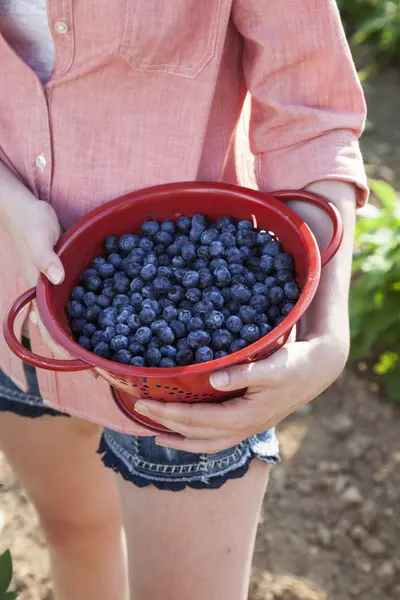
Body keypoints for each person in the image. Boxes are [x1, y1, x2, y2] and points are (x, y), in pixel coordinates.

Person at [0, 1, 368, 599]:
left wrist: (326, 337)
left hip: (196, 382)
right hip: (13, 303)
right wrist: (11, 203)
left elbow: (311, 116)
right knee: (74, 535)